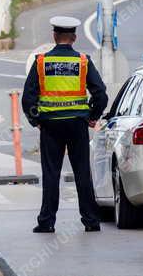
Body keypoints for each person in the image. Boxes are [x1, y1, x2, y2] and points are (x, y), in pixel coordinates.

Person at [22, 16, 108, 233]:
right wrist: (92, 116)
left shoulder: (41, 62)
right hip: (77, 124)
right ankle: (91, 221)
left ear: (54, 36)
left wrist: (36, 120)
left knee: (51, 173)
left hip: (50, 125)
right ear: (74, 38)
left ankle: (47, 222)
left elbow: (28, 98)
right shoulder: (83, 61)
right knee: (81, 172)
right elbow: (100, 93)